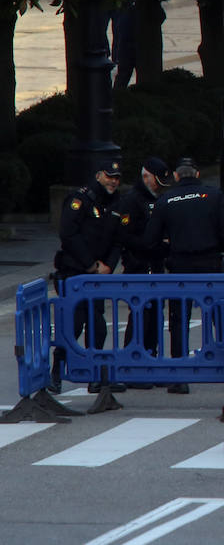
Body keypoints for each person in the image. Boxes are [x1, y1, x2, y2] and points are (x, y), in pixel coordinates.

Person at [145, 156, 224, 394]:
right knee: (221, 318)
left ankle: (180, 377)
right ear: (197, 174)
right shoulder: (214, 196)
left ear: (176, 176)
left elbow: (149, 240)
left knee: (179, 320)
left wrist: (170, 248)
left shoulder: (166, 200)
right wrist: (216, 247)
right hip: (211, 265)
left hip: (181, 266)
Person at [51, 158, 125, 393]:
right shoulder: (80, 199)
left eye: (116, 177)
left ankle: (95, 375)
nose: (113, 181)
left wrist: (108, 266)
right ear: (98, 176)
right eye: (109, 176)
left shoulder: (115, 203)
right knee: (72, 325)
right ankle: (56, 372)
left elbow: (117, 239)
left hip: (97, 276)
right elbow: (68, 234)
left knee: (97, 326)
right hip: (74, 272)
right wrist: (90, 265)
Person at [114, 157, 174, 367]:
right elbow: (125, 235)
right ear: (146, 176)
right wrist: (153, 245)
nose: (159, 187)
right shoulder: (132, 200)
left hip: (155, 265)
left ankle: (150, 356)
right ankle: (133, 360)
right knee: (140, 314)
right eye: (157, 181)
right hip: (139, 265)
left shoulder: (157, 199)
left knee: (155, 314)